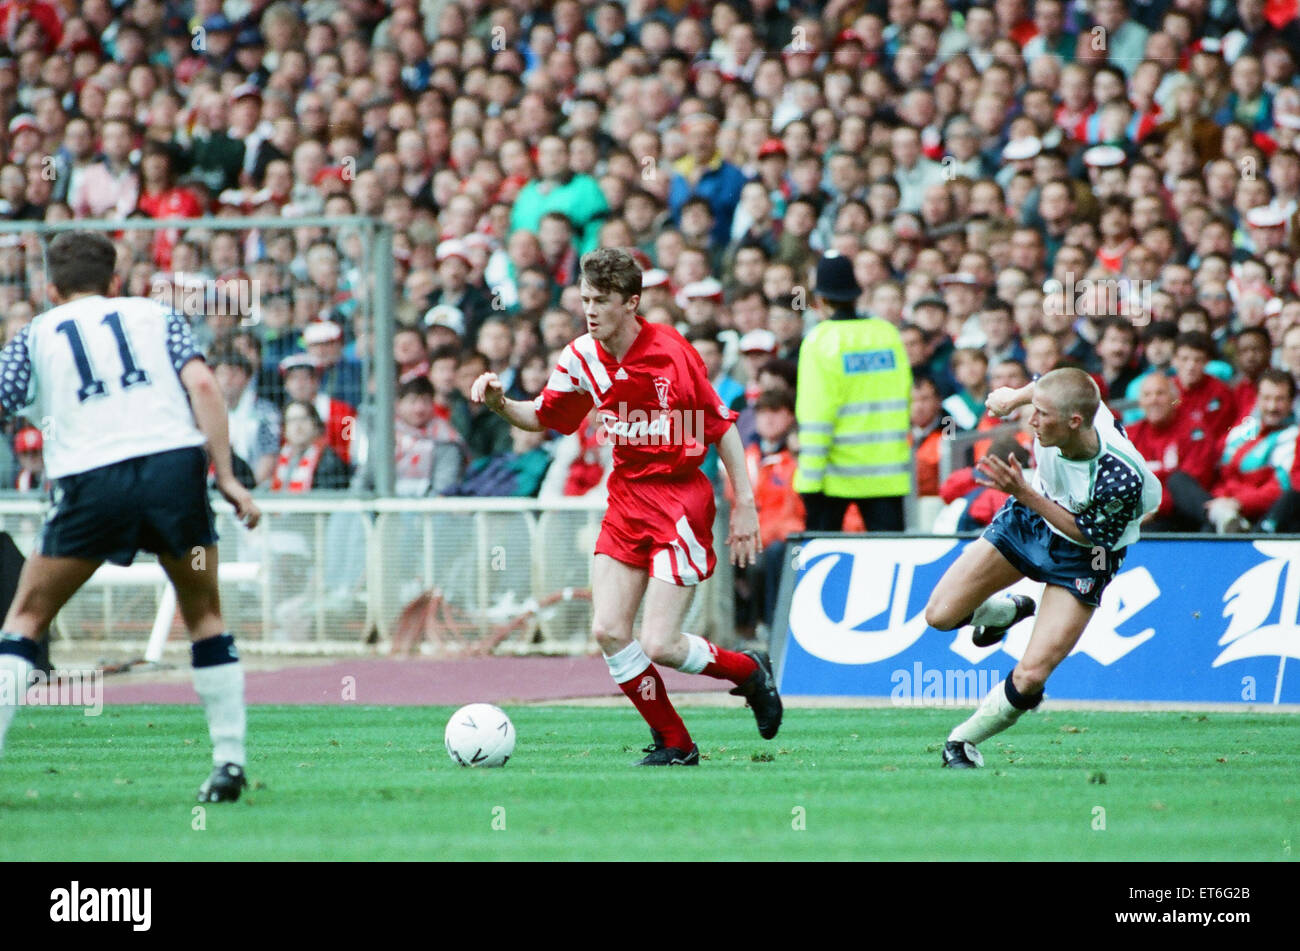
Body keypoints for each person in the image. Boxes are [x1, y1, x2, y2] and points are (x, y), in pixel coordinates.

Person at [470, 247, 781, 766]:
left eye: (602, 301)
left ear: (632, 303)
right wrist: (500, 401)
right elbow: (544, 417)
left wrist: (744, 502)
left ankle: (748, 672)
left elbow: (721, 425)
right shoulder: (580, 357)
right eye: (585, 299)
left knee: (660, 644)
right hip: (627, 499)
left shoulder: (672, 353)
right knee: (609, 630)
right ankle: (676, 743)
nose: (590, 311)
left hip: (680, 499)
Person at [0, 231, 261, 802]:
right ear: (115, 282)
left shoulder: (34, 335)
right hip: (173, 470)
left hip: (90, 478)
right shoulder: (156, 316)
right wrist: (229, 476)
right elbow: (202, 384)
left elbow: (4, 396)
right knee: (204, 614)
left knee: (26, 617)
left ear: (50, 287)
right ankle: (229, 763)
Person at [923, 368, 1161, 768]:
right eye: (1034, 411)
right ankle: (1006, 611)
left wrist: (1024, 493)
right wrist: (1015, 397)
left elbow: (1086, 535)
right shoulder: (1069, 406)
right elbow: (1061, 381)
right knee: (940, 616)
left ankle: (961, 742)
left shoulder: (1120, 475)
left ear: (1074, 421)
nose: (1032, 422)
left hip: (1085, 553)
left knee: (1032, 676)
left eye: (1042, 415)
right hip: (1028, 521)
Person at [795, 251, 913, 531]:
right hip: (888, 476)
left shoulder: (819, 342)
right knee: (890, 566)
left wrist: (808, 482)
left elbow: (816, 418)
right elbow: (904, 395)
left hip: (833, 479)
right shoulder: (888, 335)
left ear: (820, 300)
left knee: (824, 564)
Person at [270, 400, 351, 492]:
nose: (298, 426)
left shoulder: (329, 462)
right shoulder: (283, 458)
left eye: (303, 419)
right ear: (284, 429)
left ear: (316, 425)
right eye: (291, 420)